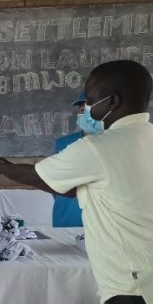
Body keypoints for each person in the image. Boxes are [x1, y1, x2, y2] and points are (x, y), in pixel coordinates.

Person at [0, 60, 153, 304]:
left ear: (113, 102)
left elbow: (41, 176)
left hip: (135, 294)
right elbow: (73, 188)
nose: (87, 111)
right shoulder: (149, 138)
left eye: (91, 101)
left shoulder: (99, 148)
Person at [51, 91, 87, 227]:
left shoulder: (113, 142)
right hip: (68, 220)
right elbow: (52, 183)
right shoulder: (63, 144)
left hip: (103, 223)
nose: (85, 115)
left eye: (90, 110)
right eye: (82, 110)